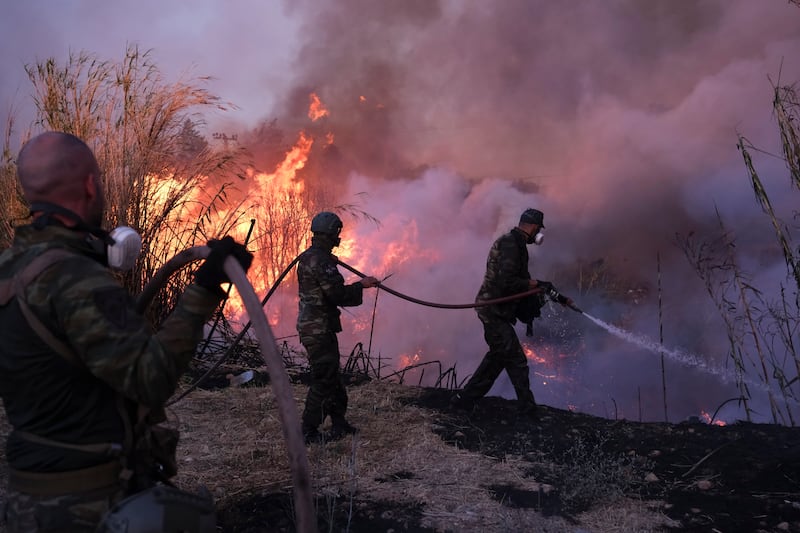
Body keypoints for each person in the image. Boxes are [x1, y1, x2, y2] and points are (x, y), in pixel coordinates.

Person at [0, 131, 252, 532]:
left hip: (25, 500)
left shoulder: (10, 269)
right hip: (89, 504)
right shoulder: (76, 278)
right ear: (89, 184)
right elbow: (150, 378)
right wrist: (204, 290)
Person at [451, 208, 572, 416]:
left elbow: (520, 280)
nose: (537, 235)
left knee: (497, 358)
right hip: (493, 309)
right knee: (516, 359)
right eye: (538, 230)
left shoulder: (517, 244)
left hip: (497, 309)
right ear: (534, 228)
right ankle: (527, 408)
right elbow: (507, 282)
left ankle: (464, 400)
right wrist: (537, 283)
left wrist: (553, 295)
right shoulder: (510, 244)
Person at [296, 211, 379, 444]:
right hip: (318, 328)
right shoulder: (320, 260)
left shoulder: (311, 257)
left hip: (315, 327)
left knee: (332, 376)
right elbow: (337, 294)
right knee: (324, 378)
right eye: (337, 233)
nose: (338, 238)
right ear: (331, 234)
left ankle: (339, 423)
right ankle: (308, 431)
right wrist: (361, 285)